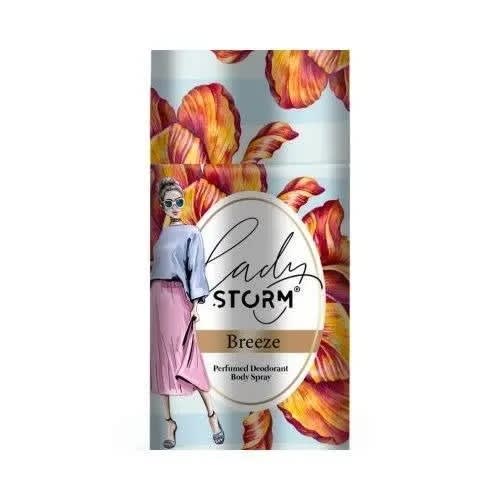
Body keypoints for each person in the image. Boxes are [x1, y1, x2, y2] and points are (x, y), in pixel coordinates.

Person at [150, 177, 224, 449]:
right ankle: (169, 423)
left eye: (178, 201)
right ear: (162, 205)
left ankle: (212, 415)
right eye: (169, 203)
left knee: (189, 354)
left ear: (184, 202)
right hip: (156, 298)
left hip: (177, 297)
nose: (174, 206)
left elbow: (196, 269)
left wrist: (196, 304)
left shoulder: (192, 233)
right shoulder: (160, 236)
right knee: (161, 361)